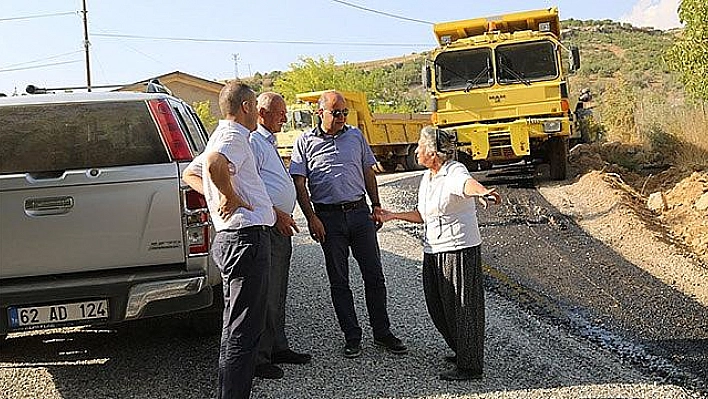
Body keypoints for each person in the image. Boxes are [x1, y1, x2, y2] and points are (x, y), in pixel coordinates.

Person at [289, 90, 406, 359]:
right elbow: (299, 183)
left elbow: (368, 171)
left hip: (359, 214)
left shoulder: (355, 136)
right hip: (328, 219)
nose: (341, 117)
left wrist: (376, 205)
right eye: (336, 112)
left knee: (374, 276)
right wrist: (311, 218)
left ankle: (382, 332)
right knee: (339, 281)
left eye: (344, 112)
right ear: (320, 113)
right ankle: (352, 336)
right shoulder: (304, 142)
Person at [379, 126, 501, 381]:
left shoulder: (453, 171)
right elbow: (423, 215)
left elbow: (467, 185)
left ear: (433, 153)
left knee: (463, 307)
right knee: (438, 306)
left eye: (421, 146)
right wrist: (393, 215)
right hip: (433, 249)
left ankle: (470, 366)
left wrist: (484, 193)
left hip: (459, 249)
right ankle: (462, 349)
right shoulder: (428, 177)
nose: (417, 150)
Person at [182, 81, 275, 399]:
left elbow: (190, 174)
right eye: (255, 107)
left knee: (236, 327)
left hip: (235, 238)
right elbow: (212, 165)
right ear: (247, 106)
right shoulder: (234, 135)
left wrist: (214, 195)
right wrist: (228, 195)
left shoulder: (220, 135)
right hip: (245, 238)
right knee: (243, 331)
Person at [249, 92, 312, 380]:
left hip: (279, 225)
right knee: (266, 292)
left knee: (278, 290)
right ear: (261, 112)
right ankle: (260, 356)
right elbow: (253, 188)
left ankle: (277, 346)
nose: (285, 118)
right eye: (279, 113)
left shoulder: (267, 142)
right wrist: (277, 215)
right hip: (268, 225)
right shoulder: (253, 142)